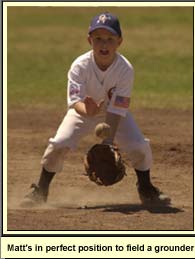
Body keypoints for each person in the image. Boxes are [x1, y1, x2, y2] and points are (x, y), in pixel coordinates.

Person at [22, 12, 171, 207]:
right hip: (82, 112)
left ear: (119, 42)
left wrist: (108, 141)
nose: (104, 44)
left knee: (139, 145)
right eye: (98, 38)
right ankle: (40, 190)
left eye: (110, 39)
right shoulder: (79, 66)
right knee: (59, 143)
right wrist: (87, 110)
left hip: (114, 114)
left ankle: (146, 188)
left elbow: (118, 108)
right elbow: (75, 101)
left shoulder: (125, 69)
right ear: (89, 40)